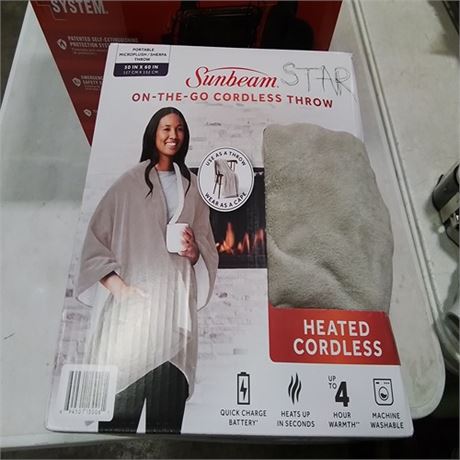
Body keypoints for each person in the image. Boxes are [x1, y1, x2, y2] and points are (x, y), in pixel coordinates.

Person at [75, 107, 218, 433]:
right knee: (115, 426)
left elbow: (207, 246)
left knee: (165, 430)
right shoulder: (127, 184)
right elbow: (95, 246)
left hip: (175, 319)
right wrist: (122, 290)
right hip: (131, 320)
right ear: (153, 132)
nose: (173, 135)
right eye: (166, 128)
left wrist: (195, 252)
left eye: (179, 129)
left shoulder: (193, 187)